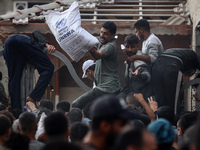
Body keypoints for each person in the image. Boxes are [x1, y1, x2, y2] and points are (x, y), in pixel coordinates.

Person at [72, 21, 121, 110]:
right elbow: (88, 39)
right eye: (101, 32)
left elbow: (98, 55)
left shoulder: (111, 46)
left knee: (76, 104)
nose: (102, 35)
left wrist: (90, 49)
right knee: (90, 110)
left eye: (106, 34)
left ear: (113, 35)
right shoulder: (101, 42)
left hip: (107, 87)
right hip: (105, 88)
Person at [3, 30, 55, 110]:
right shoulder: (36, 46)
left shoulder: (24, 56)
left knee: (14, 78)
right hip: (22, 41)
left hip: (9, 42)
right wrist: (47, 44)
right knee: (49, 68)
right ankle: (33, 97)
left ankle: (15, 109)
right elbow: (36, 32)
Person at [151, 48, 200, 114]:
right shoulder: (195, 57)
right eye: (188, 74)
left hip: (156, 67)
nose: (186, 75)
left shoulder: (184, 54)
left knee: (160, 100)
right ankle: (173, 121)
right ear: (193, 68)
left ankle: (160, 118)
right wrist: (195, 89)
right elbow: (196, 80)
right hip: (172, 67)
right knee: (173, 102)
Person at [118, 34, 151, 101]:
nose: (130, 49)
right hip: (130, 92)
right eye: (127, 47)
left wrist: (139, 75)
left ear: (137, 47)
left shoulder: (139, 62)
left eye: (132, 47)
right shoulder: (130, 59)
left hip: (140, 97)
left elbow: (147, 77)